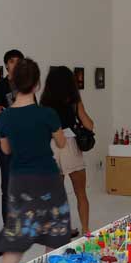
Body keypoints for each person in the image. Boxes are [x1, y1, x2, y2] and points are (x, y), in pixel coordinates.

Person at [0, 58, 72, 263]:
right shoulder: (48, 114)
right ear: (37, 84)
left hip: (19, 180)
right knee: (56, 234)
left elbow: (6, 150)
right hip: (48, 179)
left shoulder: (5, 117)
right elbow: (61, 143)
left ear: (13, 82)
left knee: (17, 236)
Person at [40, 66, 95, 236]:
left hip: (51, 147)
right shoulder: (74, 101)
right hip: (71, 146)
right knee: (81, 193)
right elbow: (89, 125)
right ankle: (86, 230)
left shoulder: (44, 104)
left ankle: (61, 230)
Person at [0, 49, 25, 224]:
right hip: (7, 142)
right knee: (8, 184)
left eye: (18, 61)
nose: (15, 65)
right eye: (11, 61)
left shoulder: (27, 86)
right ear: (6, 65)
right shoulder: (0, 86)